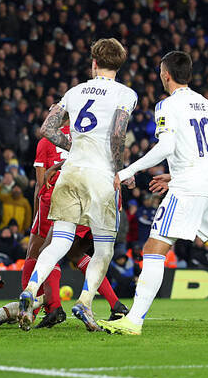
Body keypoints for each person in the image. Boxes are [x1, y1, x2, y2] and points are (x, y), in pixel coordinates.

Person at [99, 52, 208, 335]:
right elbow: (200, 149)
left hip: (188, 188)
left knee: (153, 250)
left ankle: (134, 320)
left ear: (165, 74)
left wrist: (129, 170)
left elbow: (167, 147)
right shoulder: (206, 104)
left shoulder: (166, 105)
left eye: (160, 71)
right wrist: (176, 174)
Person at [19, 38, 136, 331]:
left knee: (58, 241)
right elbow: (117, 135)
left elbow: (46, 128)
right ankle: (84, 302)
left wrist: (72, 144)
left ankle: (31, 290)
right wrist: (119, 170)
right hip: (99, 176)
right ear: (119, 66)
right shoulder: (126, 94)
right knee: (104, 249)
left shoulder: (75, 91)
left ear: (93, 63)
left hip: (70, 173)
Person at [23, 130, 129, 328]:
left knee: (44, 250)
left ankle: (47, 307)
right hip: (104, 196)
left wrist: (50, 172)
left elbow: (40, 183)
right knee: (77, 253)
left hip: (69, 196)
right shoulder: (91, 134)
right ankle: (116, 305)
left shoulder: (48, 140)